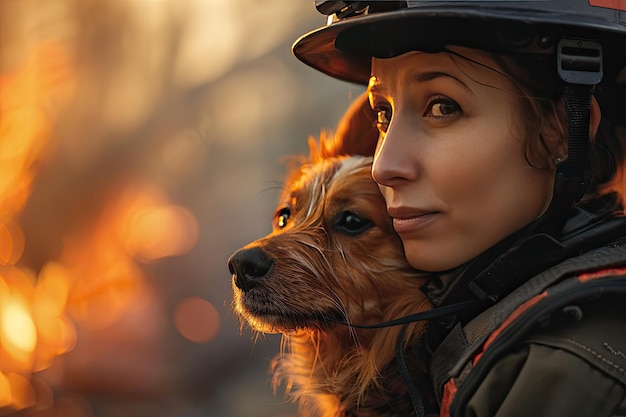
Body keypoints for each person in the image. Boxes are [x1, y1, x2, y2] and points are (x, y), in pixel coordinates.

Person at [291, 1, 626, 416]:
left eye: (442, 107)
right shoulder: (486, 324)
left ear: (559, 132)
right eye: (384, 114)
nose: (382, 165)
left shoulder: (564, 366)